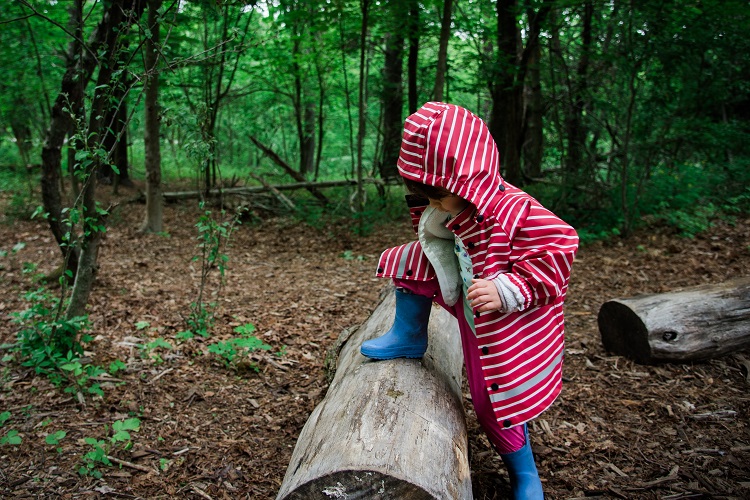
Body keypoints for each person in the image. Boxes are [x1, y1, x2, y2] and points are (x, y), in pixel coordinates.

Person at [361, 102, 579, 499]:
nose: (435, 205)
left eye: (440, 195)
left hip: (500, 327)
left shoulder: (519, 212)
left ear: (468, 180)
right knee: (407, 261)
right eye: (425, 194)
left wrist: (509, 289)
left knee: (495, 403)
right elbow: (437, 226)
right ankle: (409, 334)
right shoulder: (453, 204)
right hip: (465, 298)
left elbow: (560, 248)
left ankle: (525, 475)